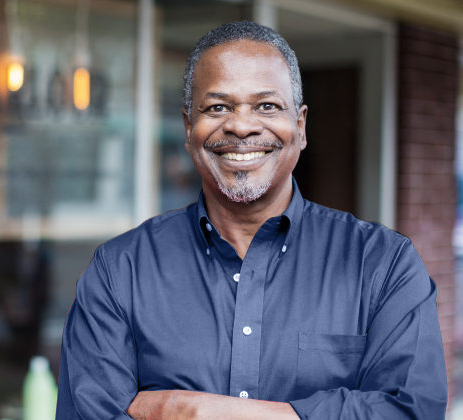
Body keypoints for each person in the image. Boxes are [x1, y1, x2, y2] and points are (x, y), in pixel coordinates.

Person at [56, 21, 448, 420]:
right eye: (217, 107)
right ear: (190, 127)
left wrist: (190, 409)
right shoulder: (119, 271)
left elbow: (411, 412)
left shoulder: (384, 265)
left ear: (300, 125)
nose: (241, 126)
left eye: (266, 106)